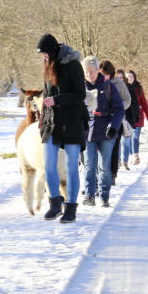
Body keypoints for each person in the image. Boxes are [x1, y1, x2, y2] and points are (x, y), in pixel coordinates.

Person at [36, 33, 87, 222]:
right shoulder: (47, 67)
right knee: (49, 165)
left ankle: (71, 208)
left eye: (44, 54)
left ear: (52, 51)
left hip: (73, 122)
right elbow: (46, 98)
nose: (43, 58)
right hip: (51, 123)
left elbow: (80, 95)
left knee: (71, 166)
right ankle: (55, 204)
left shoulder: (73, 65)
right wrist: (42, 123)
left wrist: (57, 100)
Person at [81, 56, 123, 207]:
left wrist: (114, 127)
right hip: (87, 132)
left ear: (98, 70)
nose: (89, 75)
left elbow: (119, 109)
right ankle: (89, 195)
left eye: (91, 71)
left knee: (104, 166)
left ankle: (104, 196)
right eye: (86, 72)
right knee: (89, 165)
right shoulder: (80, 87)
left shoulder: (108, 86)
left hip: (106, 132)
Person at [101, 60, 130, 183]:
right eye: (102, 74)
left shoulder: (119, 84)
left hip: (116, 120)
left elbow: (127, 99)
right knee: (102, 149)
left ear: (111, 74)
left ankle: (113, 174)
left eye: (106, 74)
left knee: (114, 147)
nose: (104, 77)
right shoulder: (96, 82)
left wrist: (118, 107)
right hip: (101, 120)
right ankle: (101, 175)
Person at [126, 70, 148, 165]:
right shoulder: (122, 87)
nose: (129, 78)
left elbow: (144, 102)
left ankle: (135, 155)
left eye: (131, 77)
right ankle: (129, 155)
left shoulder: (139, 88)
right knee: (128, 137)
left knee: (135, 137)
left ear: (134, 78)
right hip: (127, 116)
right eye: (127, 77)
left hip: (138, 116)